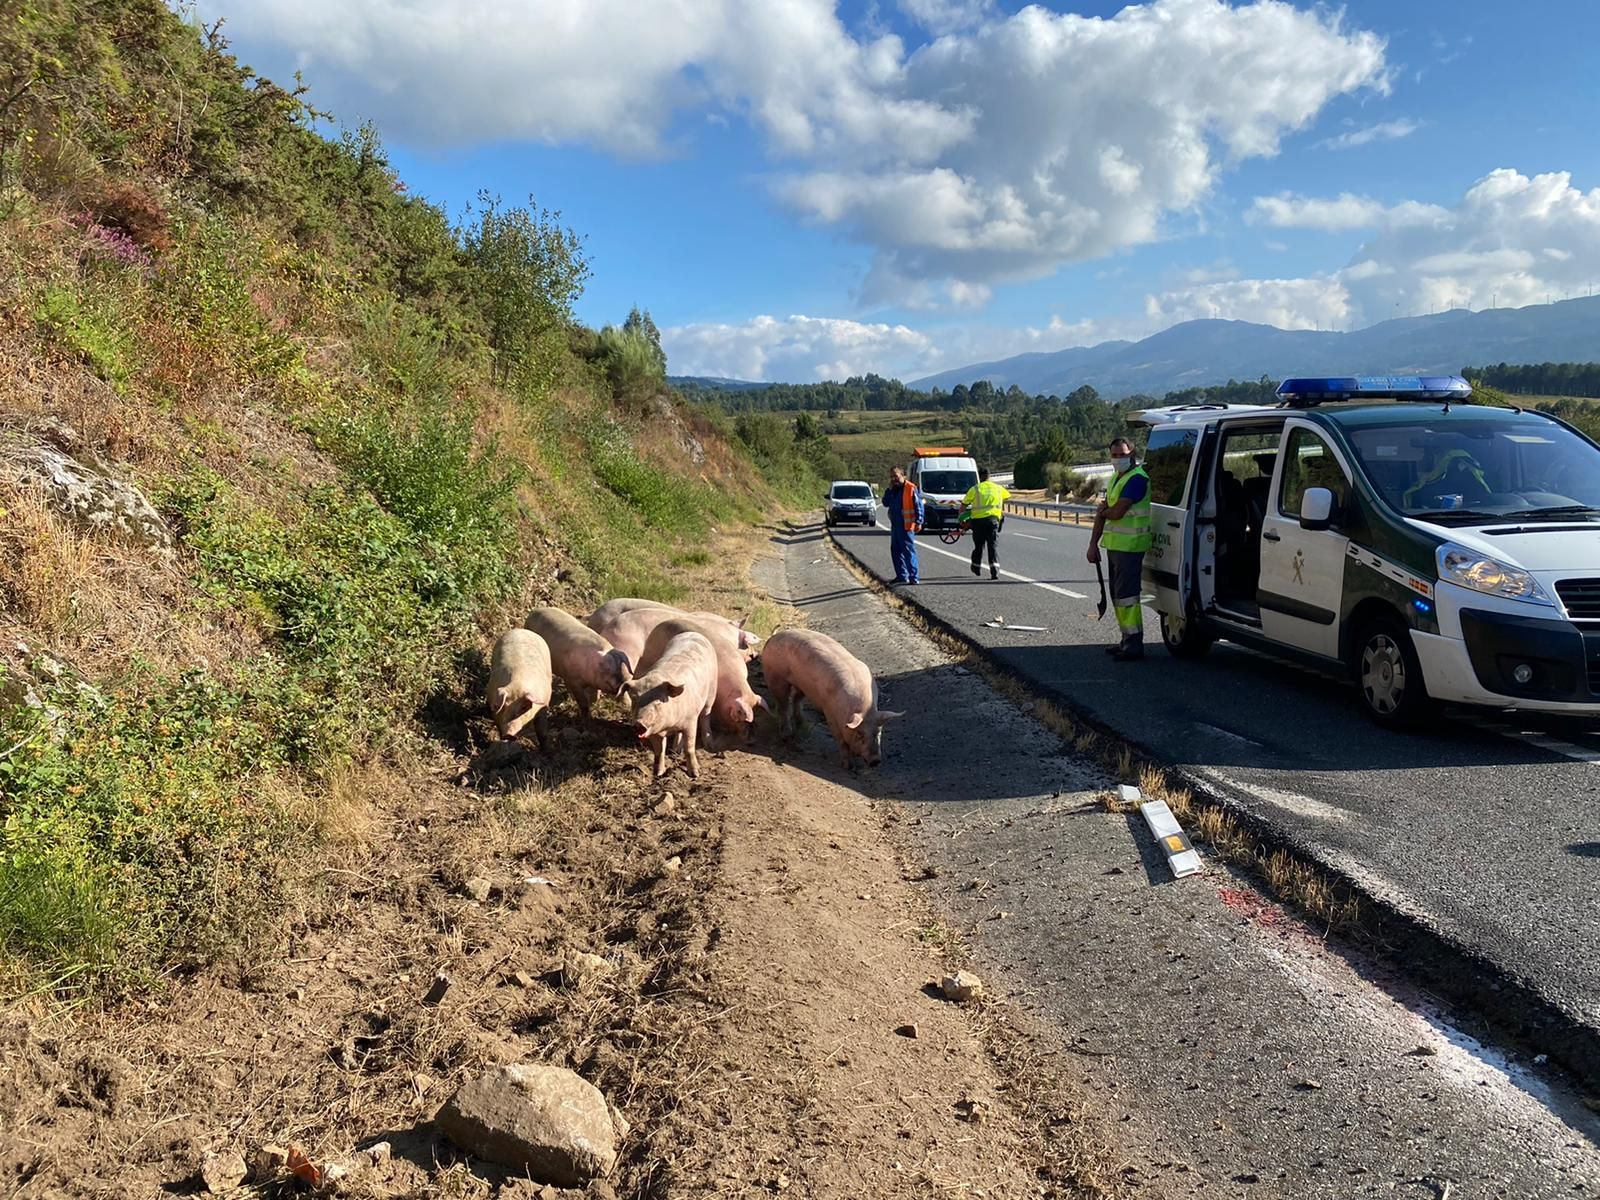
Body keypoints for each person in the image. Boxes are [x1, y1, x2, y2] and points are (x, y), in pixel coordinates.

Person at [1086, 437, 1152, 661]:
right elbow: (1106, 512)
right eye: (1114, 455)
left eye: (1122, 455)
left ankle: (1134, 644)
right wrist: (1093, 544)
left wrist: (1103, 512)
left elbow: (1116, 512)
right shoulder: (1116, 478)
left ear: (1132, 453)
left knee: (1127, 596)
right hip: (1115, 546)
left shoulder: (1137, 479)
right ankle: (1126, 640)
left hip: (1131, 547)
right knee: (1118, 595)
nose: (1118, 459)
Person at [962, 466, 1011, 580]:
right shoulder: (998, 488)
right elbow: (1007, 496)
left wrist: (962, 520)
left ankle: (976, 566)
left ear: (979, 477)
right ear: (989, 476)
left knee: (979, 546)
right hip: (993, 520)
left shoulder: (975, 489)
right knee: (992, 545)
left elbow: (964, 505)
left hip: (978, 521)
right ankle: (994, 570)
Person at [884, 466, 924, 585]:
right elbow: (885, 503)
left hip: (906, 525)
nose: (893, 479)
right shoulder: (892, 490)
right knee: (895, 550)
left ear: (903, 476)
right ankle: (902, 575)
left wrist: (919, 521)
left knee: (908, 550)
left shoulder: (911, 488)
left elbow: (919, 506)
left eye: (896, 476)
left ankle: (913, 577)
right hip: (895, 525)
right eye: (891, 477)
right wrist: (889, 490)